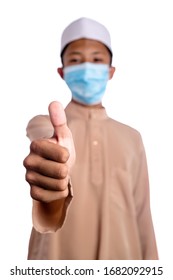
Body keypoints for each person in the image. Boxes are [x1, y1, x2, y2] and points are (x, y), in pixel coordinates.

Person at [23, 17, 158, 260]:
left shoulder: (132, 138)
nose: (86, 67)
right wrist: (53, 158)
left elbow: (142, 212)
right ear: (62, 72)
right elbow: (43, 141)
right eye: (75, 60)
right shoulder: (45, 124)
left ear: (110, 71)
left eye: (96, 59)